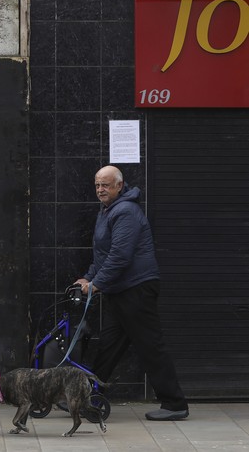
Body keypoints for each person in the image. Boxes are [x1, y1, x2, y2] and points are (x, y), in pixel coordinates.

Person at [74, 165, 189, 421]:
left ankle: (175, 404)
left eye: (105, 185)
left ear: (119, 185)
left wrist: (96, 284)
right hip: (122, 289)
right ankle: (86, 396)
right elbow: (102, 253)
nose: (100, 190)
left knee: (150, 346)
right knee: (109, 345)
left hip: (136, 288)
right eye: (97, 185)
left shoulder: (125, 211)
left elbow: (120, 256)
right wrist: (89, 277)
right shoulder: (107, 211)